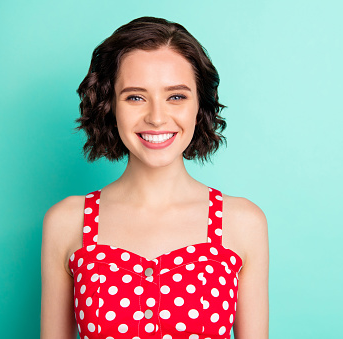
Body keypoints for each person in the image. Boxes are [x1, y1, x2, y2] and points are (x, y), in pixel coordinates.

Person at [41, 16, 269, 339]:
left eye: (176, 96)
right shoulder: (66, 222)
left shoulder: (244, 223)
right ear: (110, 106)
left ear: (198, 106)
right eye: (135, 97)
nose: (157, 117)